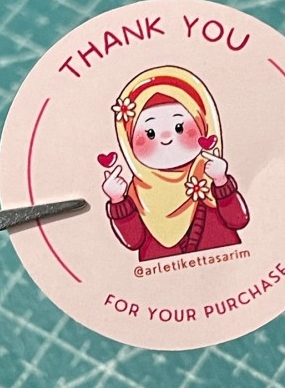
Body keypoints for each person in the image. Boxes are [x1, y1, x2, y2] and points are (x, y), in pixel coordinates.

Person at [101, 65, 249, 261]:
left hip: (230, 270)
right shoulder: (138, 192)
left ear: (204, 125)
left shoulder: (207, 175)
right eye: (150, 133)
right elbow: (133, 241)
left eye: (179, 127)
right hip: (157, 276)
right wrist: (118, 200)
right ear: (128, 141)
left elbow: (238, 220)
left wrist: (221, 181)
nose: (166, 138)